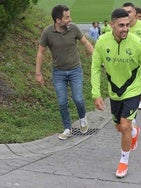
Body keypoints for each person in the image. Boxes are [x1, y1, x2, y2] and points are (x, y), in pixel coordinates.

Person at [91, 8, 141, 178]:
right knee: (119, 127)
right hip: (114, 91)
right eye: (121, 25)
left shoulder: (137, 43)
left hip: (133, 89)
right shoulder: (102, 42)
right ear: (111, 24)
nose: (125, 29)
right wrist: (96, 94)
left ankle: (124, 161)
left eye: (127, 25)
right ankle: (135, 132)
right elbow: (95, 69)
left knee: (125, 125)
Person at [35, 4, 94, 140]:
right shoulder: (47, 32)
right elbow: (40, 52)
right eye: (67, 17)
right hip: (59, 73)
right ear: (58, 20)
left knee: (78, 99)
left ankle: (83, 118)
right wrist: (38, 73)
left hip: (75, 70)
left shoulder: (73, 29)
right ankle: (67, 128)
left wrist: (97, 58)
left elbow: (85, 43)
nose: (70, 19)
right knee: (62, 102)